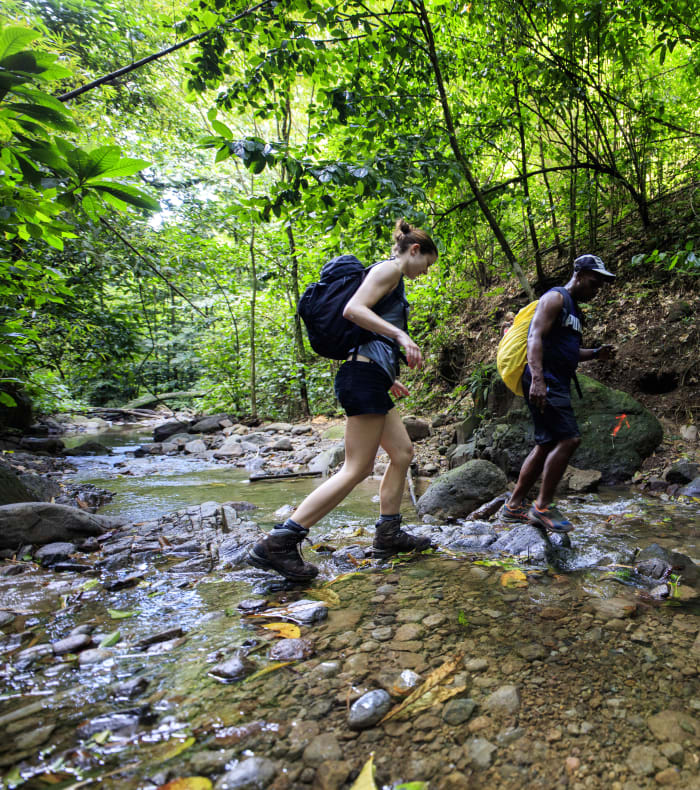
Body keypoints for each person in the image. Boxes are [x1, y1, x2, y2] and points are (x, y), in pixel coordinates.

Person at [247, 219, 439, 582]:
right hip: (361, 379)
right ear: (415, 250)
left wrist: (389, 377)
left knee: (402, 454)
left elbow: (365, 335)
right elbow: (353, 310)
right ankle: (280, 541)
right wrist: (401, 336)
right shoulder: (388, 270)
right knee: (357, 468)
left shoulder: (391, 279)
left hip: (371, 378)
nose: (425, 272)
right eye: (427, 264)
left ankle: (389, 533)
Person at [501, 254, 616, 532]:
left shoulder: (574, 310)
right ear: (578, 275)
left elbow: (567, 351)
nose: (596, 288)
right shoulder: (555, 298)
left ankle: (513, 506)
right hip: (545, 377)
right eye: (593, 281)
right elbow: (534, 336)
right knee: (569, 439)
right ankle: (542, 507)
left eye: (600, 284)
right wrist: (538, 379)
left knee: (547, 442)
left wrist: (596, 354)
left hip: (556, 378)